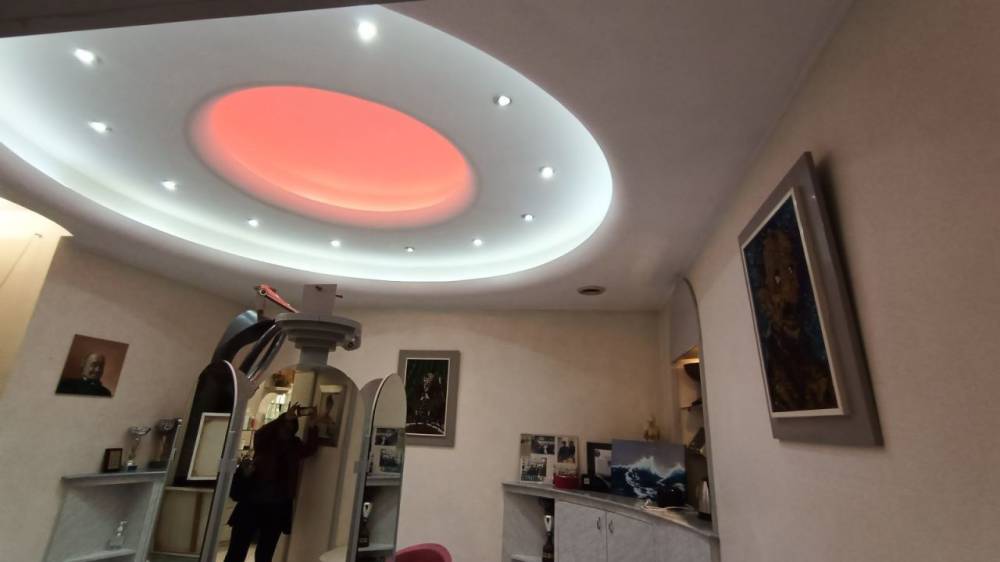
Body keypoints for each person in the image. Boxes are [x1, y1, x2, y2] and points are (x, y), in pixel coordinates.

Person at [224, 403, 318, 562]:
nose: (286, 430)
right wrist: (284, 417)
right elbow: (261, 432)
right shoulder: (266, 441)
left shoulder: (294, 445)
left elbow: (310, 448)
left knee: (264, 553)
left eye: (290, 426)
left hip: (275, 506)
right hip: (253, 503)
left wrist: (313, 425)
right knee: (237, 550)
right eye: (284, 426)